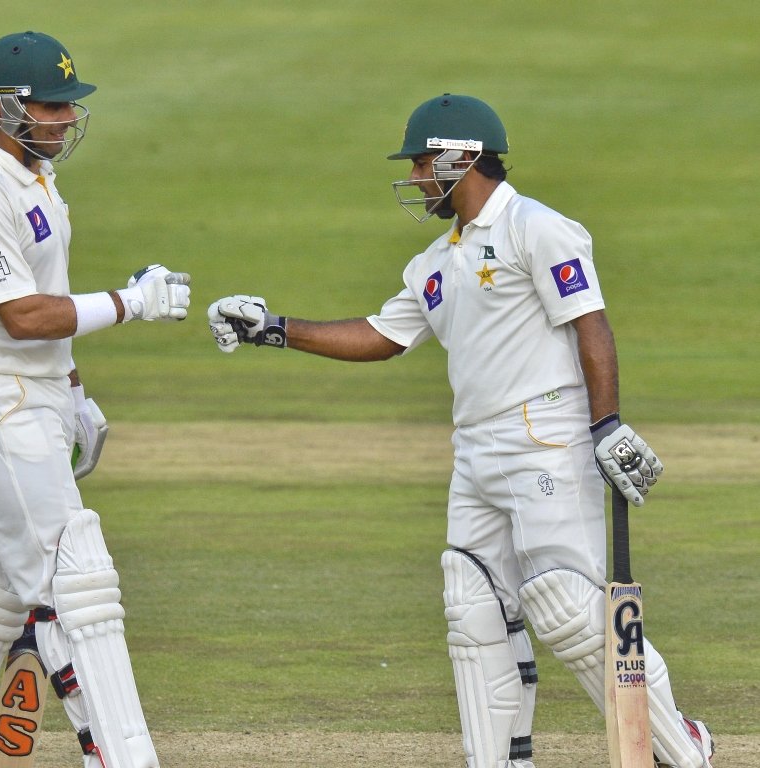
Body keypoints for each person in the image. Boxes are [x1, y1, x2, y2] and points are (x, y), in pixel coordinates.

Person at [206, 94, 714, 768]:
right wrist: (275, 328)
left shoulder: (539, 228)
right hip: (473, 453)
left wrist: (607, 423)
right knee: (470, 610)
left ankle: (683, 752)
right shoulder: (434, 264)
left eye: (422, 163)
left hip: (546, 438)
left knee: (568, 609)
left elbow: (590, 323)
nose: (416, 179)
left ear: (461, 157)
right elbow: (382, 336)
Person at [0, 31, 190, 768]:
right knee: (74, 585)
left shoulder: (36, 181)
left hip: (32, 401)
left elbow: (45, 310)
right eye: (50, 107)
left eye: (67, 106)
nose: (64, 119)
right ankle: (120, 755)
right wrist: (132, 302)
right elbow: (21, 316)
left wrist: (73, 390)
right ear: (3, 106)